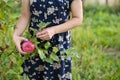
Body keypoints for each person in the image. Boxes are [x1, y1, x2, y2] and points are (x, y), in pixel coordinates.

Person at [13, 0, 83, 80]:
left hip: (58, 47)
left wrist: (54, 30)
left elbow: (78, 19)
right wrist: (16, 35)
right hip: (35, 45)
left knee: (57, 76)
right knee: (34, 75)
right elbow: (25, 15)